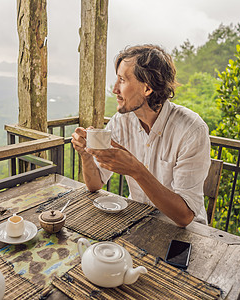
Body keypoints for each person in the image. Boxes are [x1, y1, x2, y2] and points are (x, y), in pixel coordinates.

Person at [71, 44, 211, 227]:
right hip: (138, 220)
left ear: (147, 89)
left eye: (122, 80)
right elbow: (95, 184)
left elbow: (184, 217)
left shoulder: (191, 130)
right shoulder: (121, 122)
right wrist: (86, 154)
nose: (115, 89)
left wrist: (136, 170)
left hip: (186, 232)